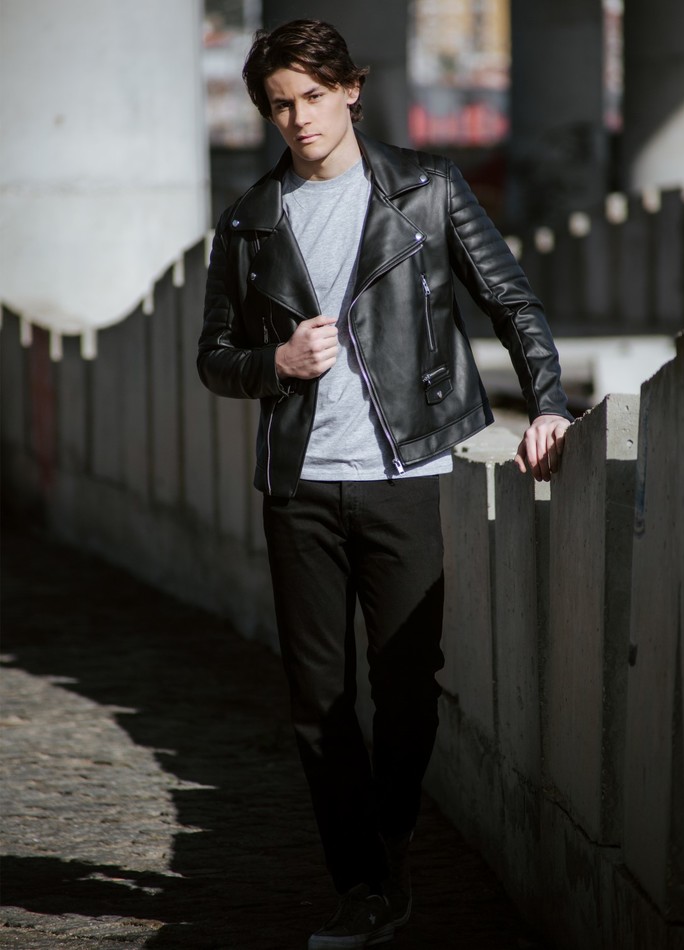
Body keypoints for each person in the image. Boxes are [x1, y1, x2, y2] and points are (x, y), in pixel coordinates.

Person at [198, 18, 571, 949]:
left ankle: (393, 838)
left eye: (313, 96)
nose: (298, 118)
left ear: (350, 90)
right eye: (279, 104)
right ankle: (361, 887)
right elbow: (213, 355)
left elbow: (509, 299)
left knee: (405, 687)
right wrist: (275, 362)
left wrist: (550, 406)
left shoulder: (426, 188)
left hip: (406, 474)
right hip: (300, 487)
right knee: (316, 701)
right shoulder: (248, 221)